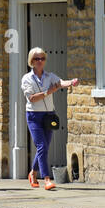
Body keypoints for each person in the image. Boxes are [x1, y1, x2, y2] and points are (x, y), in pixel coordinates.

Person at [21, 47, 78, 189]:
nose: (40, 61)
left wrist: (70, 82)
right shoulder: (27, 79)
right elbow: (32, 98)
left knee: (44, 147)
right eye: (37, 59)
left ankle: (33, 173)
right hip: (34, 116)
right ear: (31, 61)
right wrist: (48, 92)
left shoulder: (49, 76)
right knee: (41, 146)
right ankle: (46, 178)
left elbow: (60, 82)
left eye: (42, 58)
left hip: (49, 115)